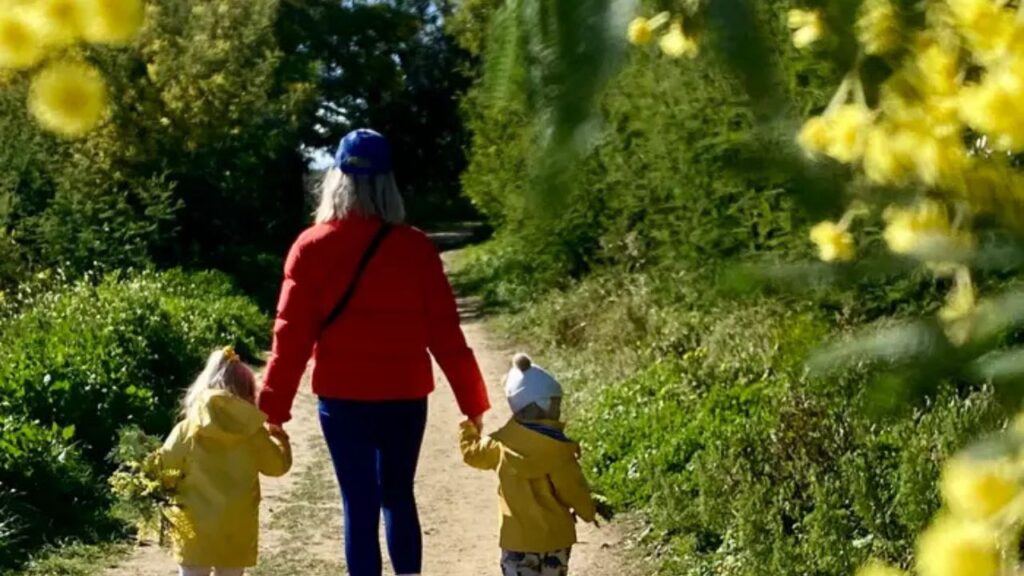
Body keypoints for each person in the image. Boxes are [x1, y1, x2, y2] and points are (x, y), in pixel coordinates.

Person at [258, 128, 491, 576]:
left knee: (358, 505)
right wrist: (473, 404)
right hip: (405, 397)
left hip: (342, 401)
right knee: (398, 496)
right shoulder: (416, 248)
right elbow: (447, 336)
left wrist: (274, 409)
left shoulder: (310, 247)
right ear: (388, 183)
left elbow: (290, 340)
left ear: (336, 180)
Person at [157, 347, 293, 576]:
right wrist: (279, 436)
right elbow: (277, 466)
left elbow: (164, 466)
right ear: (249, 394)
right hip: (236, 530)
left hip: (193, 527)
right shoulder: (253, 433)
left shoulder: (188, 429)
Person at [460, 353, 597, 576]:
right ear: (545, 407)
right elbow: (572, 488)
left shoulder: (499, 445)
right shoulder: (559, 450)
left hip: (517, 541)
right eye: (555, 404)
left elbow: (472, 454)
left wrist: (470, 427)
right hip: (556, 539)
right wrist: (588, 511)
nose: (558, 410)